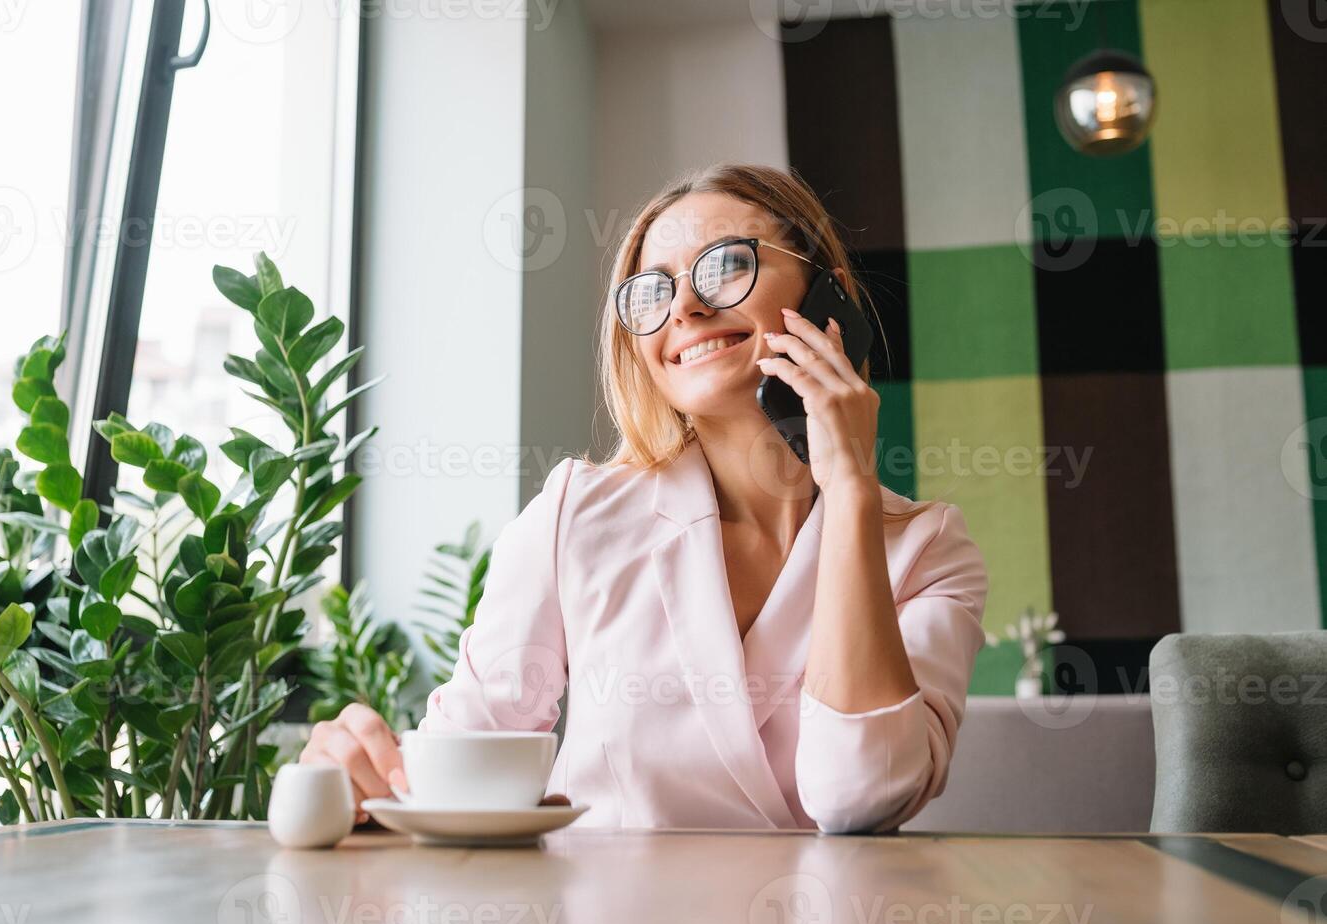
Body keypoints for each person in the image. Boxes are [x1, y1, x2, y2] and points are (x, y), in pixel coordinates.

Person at [302, 163, 989, 832]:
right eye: (651, 290)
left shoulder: (928, 549)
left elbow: (860, 794)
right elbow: (463, 764)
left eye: (726, 265)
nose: (684, 307)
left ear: (827, 295)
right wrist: (359, 771)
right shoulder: (578, 515)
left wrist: (849, 494)